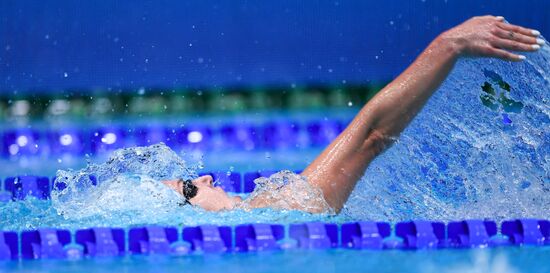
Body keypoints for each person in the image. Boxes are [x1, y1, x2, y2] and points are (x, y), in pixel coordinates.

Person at [163, 16, 544, 213]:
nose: (206, 176)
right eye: (191, 188)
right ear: (190, 221)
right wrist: (450, 44)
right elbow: (371, 136)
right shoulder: (285, 208)